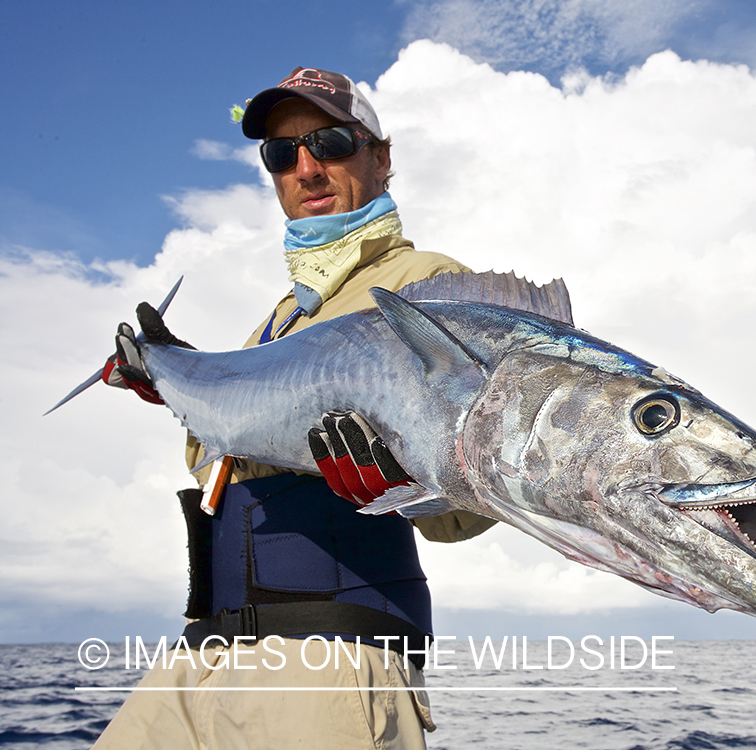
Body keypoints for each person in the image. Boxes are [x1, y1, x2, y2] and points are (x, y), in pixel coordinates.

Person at [94, 66, 495, 750]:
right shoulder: (277, 322)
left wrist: (408, 491)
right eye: (283, 154)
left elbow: (468, 499)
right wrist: (169, 380)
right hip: (207, 651)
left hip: (330, 652)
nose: (307, 168)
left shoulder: (428, 284)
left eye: (331, 142)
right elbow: (228, 457)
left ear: (381, 157)